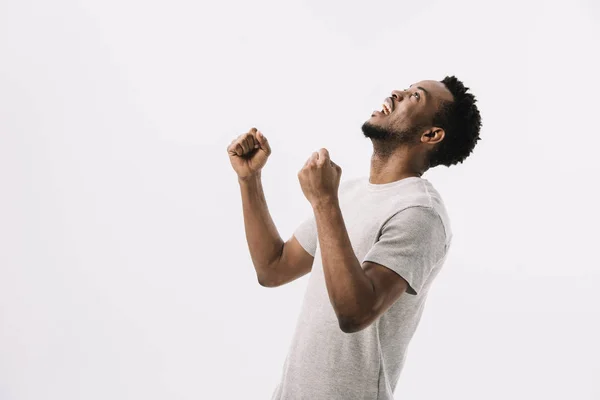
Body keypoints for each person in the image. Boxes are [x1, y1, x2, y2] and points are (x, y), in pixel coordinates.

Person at [226, 76, 482, 400]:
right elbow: (273, 268)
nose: (397, 92)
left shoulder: (421, 213)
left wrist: (323, 201)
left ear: (431, 135)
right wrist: (250, 179)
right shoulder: (349, 192)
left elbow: (355, 312)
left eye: (414, 96)